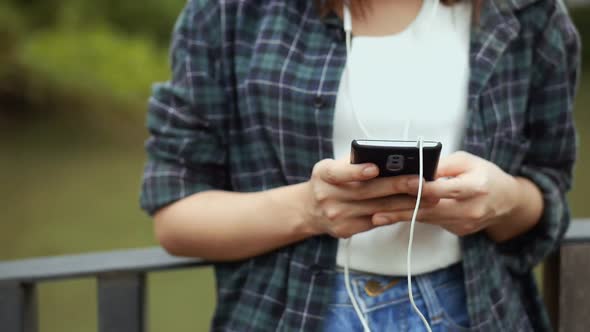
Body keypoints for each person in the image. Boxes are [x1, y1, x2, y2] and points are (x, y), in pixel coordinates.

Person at [140, 0, 580, 330]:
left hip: (476, 310)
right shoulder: (229, 12)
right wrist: (308, 210)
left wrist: (501, 200)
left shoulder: (528, 13)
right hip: (289, 312)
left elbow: (549, 194)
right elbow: (176, 215)